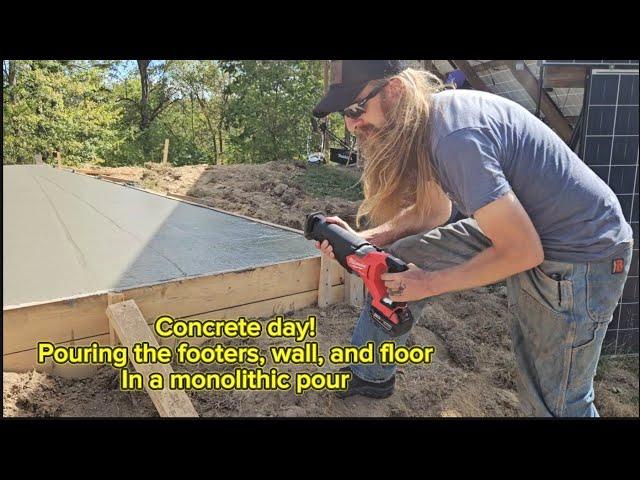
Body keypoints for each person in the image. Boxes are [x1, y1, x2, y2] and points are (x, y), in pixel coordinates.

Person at [311, 60, 633, 417]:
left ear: (394, 91)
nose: (352, 123)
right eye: (345, 113)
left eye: (357, 108)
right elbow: (431, 214)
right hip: (529, 227)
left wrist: (428, 283)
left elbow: (523, 251)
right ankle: (371, 375)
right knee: (402, 258)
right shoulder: (424, 124)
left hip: (580, 250)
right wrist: (361, 239)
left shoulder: (456, 138)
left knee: (554, 401)